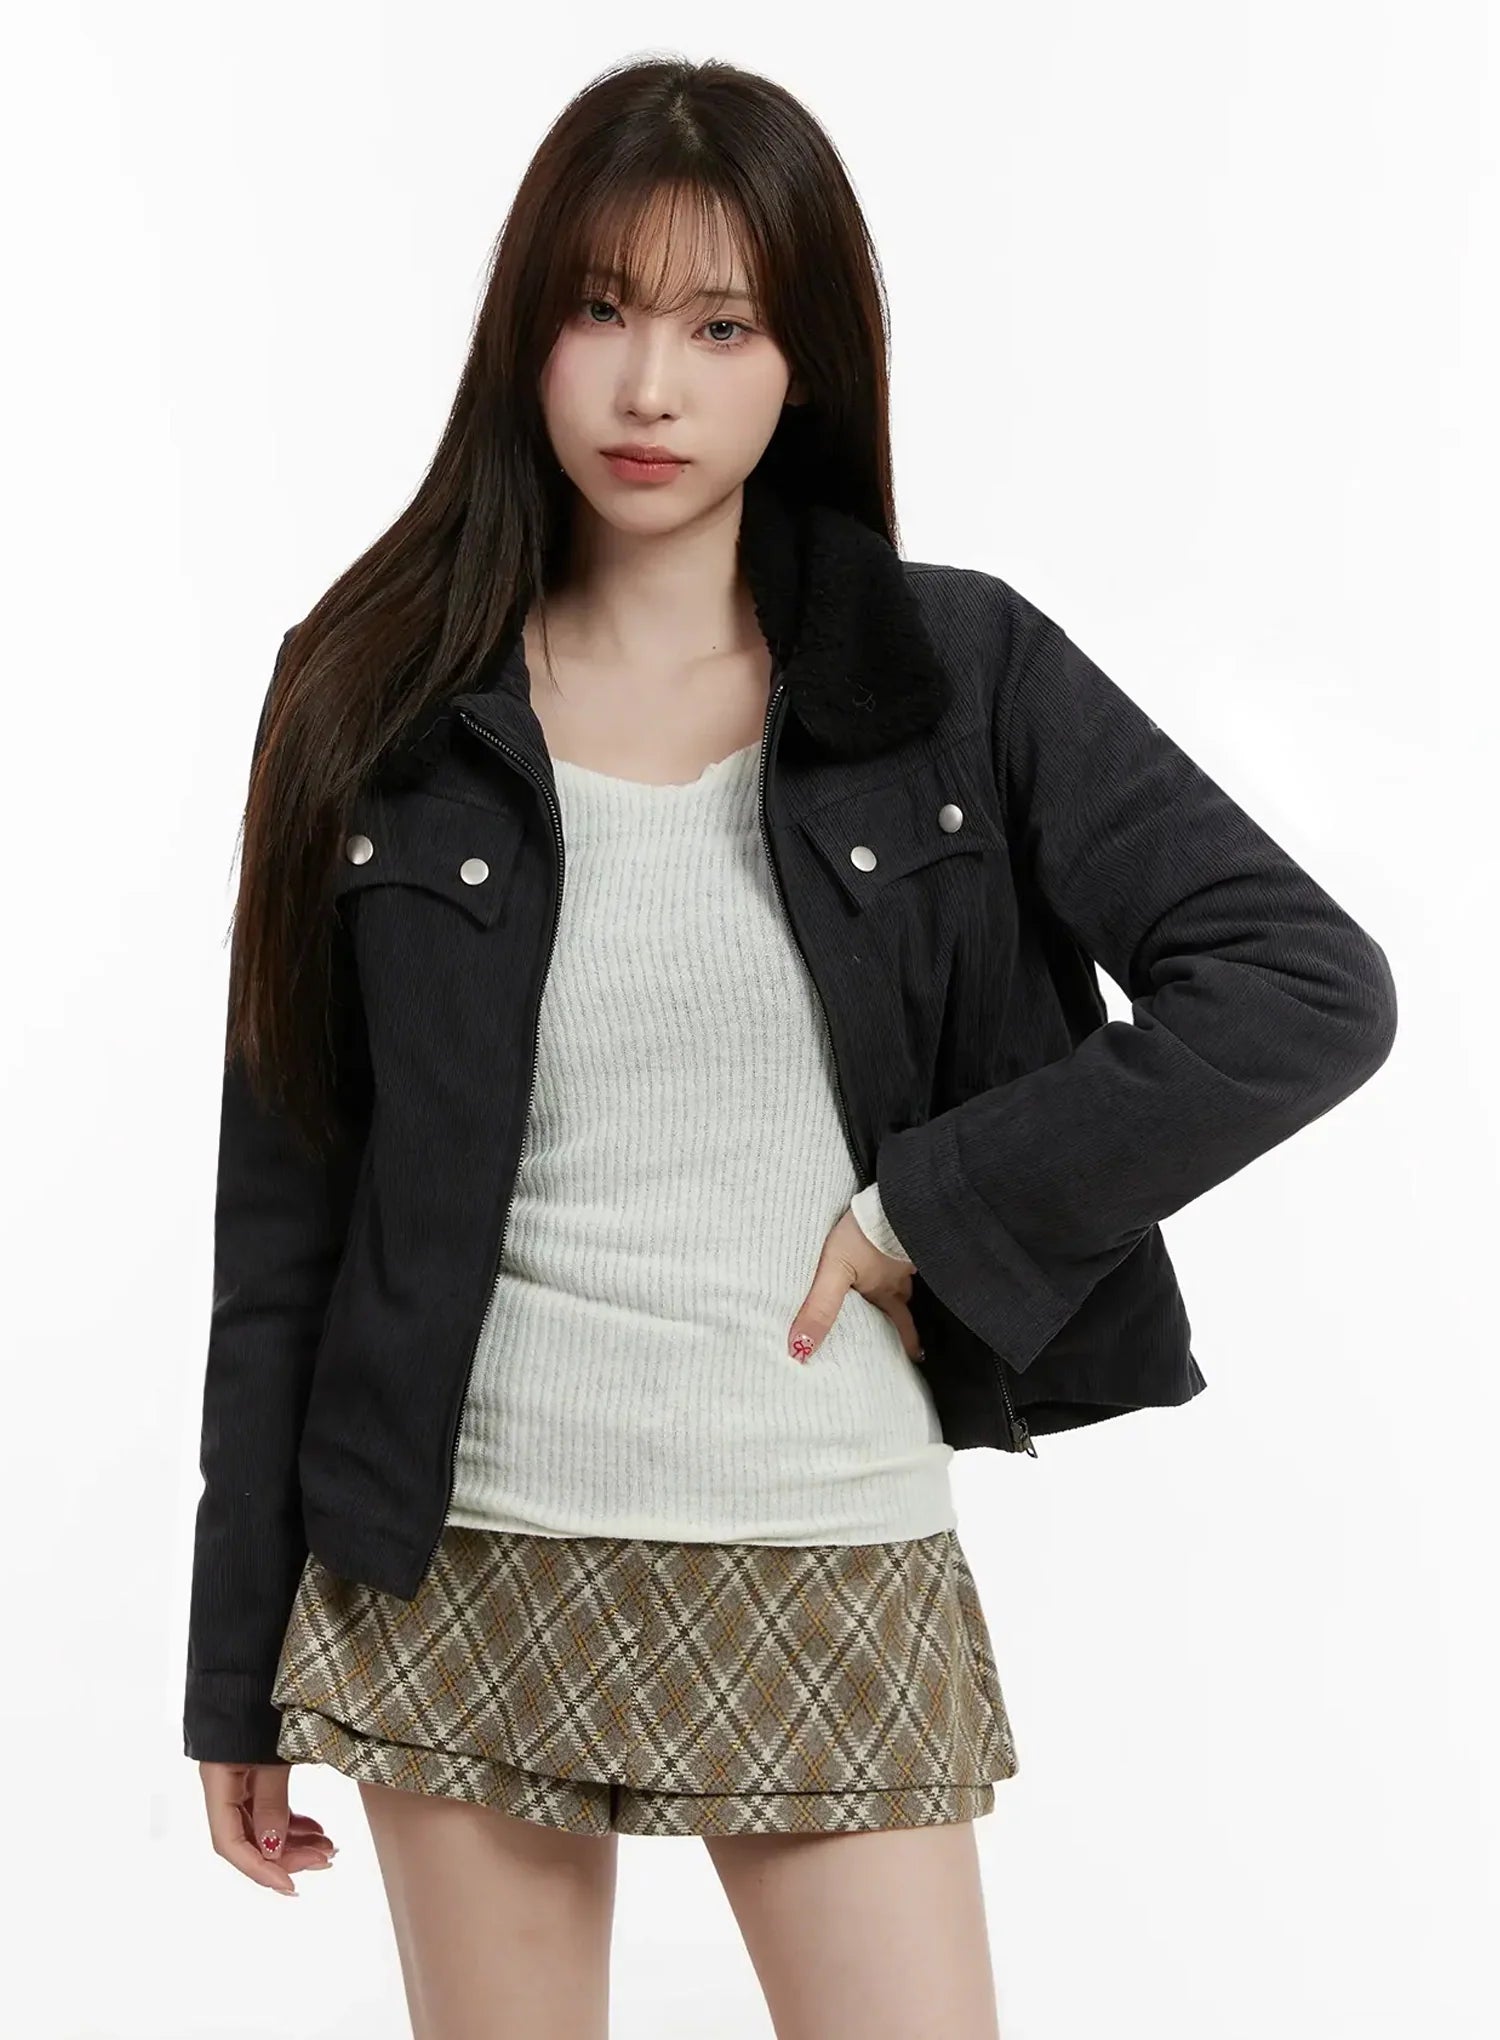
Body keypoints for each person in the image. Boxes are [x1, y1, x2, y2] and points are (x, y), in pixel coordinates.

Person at [182, 52, 1398, 2040]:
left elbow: (1301, 984)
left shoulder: (958, 673)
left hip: (823, 1540)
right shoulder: (368, 689)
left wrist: (932, 1208)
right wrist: (233, 1662)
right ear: (525, 333)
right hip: (456, 1551)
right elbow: (285, 1201)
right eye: (600, 310)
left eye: (721, 327)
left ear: (804, 358)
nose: (648, 388)